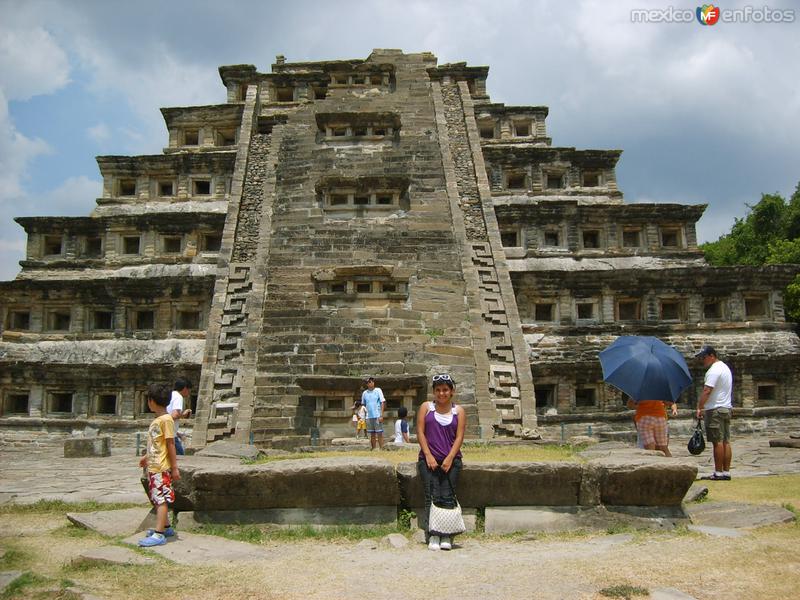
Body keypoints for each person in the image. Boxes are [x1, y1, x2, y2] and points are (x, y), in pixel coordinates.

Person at [417, 373, 466, 551]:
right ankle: (433, 533)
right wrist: (428, 455)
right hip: (428, 460)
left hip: (451, 460)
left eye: (445, 390)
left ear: (451, 391)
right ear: (433, 392)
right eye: (438, 390)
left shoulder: (458, 411)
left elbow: (460, 436)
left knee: (447, 496)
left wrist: (450, 458)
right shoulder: (426, 407)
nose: (442, 393)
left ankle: (447, 534)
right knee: (431, 496)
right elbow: (420, 432)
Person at [138, 383, 180, 547]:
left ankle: (159, 534)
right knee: (157, 498)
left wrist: (174, 467)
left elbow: (170, 444)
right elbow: (157, 445)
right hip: (154, 465)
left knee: (160, 500)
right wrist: (147, 457)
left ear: (151, 401)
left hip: (161, 467)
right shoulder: (159, 420)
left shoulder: (166, 420)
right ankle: (167, 527)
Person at [695, 345, 734, 480]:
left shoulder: (714, 370)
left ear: (712, 356)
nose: (702, 360)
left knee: (717, 441)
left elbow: (707, 390)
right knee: (725, 441)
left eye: (704, 357)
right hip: (726, 407)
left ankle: (718, 472)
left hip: (715, 409)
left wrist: (700, 407)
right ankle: (726, 471)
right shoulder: (724, 368)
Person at [168, 377, 193, 455]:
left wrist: (178, 434)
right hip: (171, 435)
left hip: (167, 432)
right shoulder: (178, 397)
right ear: (185, 388)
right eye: (189, 390)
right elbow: (175, 415)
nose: (189, 393)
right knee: (180, 457)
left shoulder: (170, 395)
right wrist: (184, 414)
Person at [361, 377, 386, 450]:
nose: (371, 383)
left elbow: (382, 402)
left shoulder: (378, 390)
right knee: (372, 433)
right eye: (369, 382)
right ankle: (374, 448)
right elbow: (363, 404)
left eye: (372, 381)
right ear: (367, 384)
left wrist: (381, 414)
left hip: (377, 415)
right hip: (369, 416)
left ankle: (382, 448)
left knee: (379, 433)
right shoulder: (365, 393)